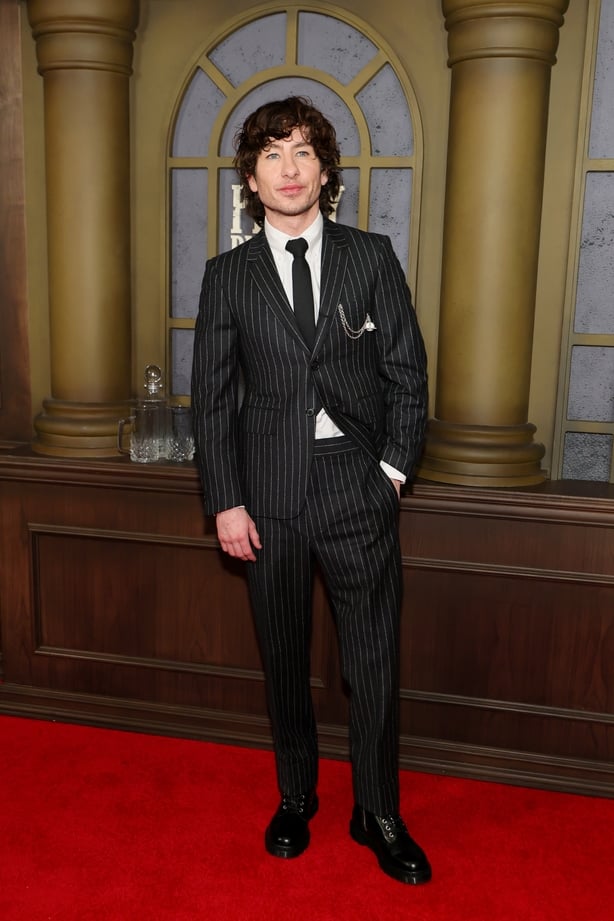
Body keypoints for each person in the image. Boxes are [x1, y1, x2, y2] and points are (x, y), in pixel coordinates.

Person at [191, 96, 430, 885]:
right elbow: (213, 398)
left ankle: (379, 809)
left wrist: (391, 475)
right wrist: (225, 501)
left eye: (302, 153)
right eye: (271, 155)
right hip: (266, 494)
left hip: (357, 486)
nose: (288, 168)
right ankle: (297, 795)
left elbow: (406, 374)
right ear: (251, 179)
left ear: (324, 171)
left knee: (372, 660)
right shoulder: (227, 276)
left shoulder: (371, 256)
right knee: (285, 657)